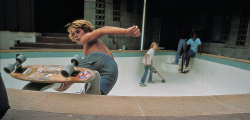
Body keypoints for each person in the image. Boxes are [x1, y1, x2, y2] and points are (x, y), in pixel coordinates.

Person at [53, 20, 140, 95]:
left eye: (77, 32)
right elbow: (109, 60)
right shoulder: (101, 45)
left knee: (63, 85)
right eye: (73, 33)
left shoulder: (85, 38)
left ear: (86, 30)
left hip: (96, 58)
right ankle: (86, 91)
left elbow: (104, 30)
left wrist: (127, 32)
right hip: (112, 69)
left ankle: (61, 83)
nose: (75, 35)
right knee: (95, 97)